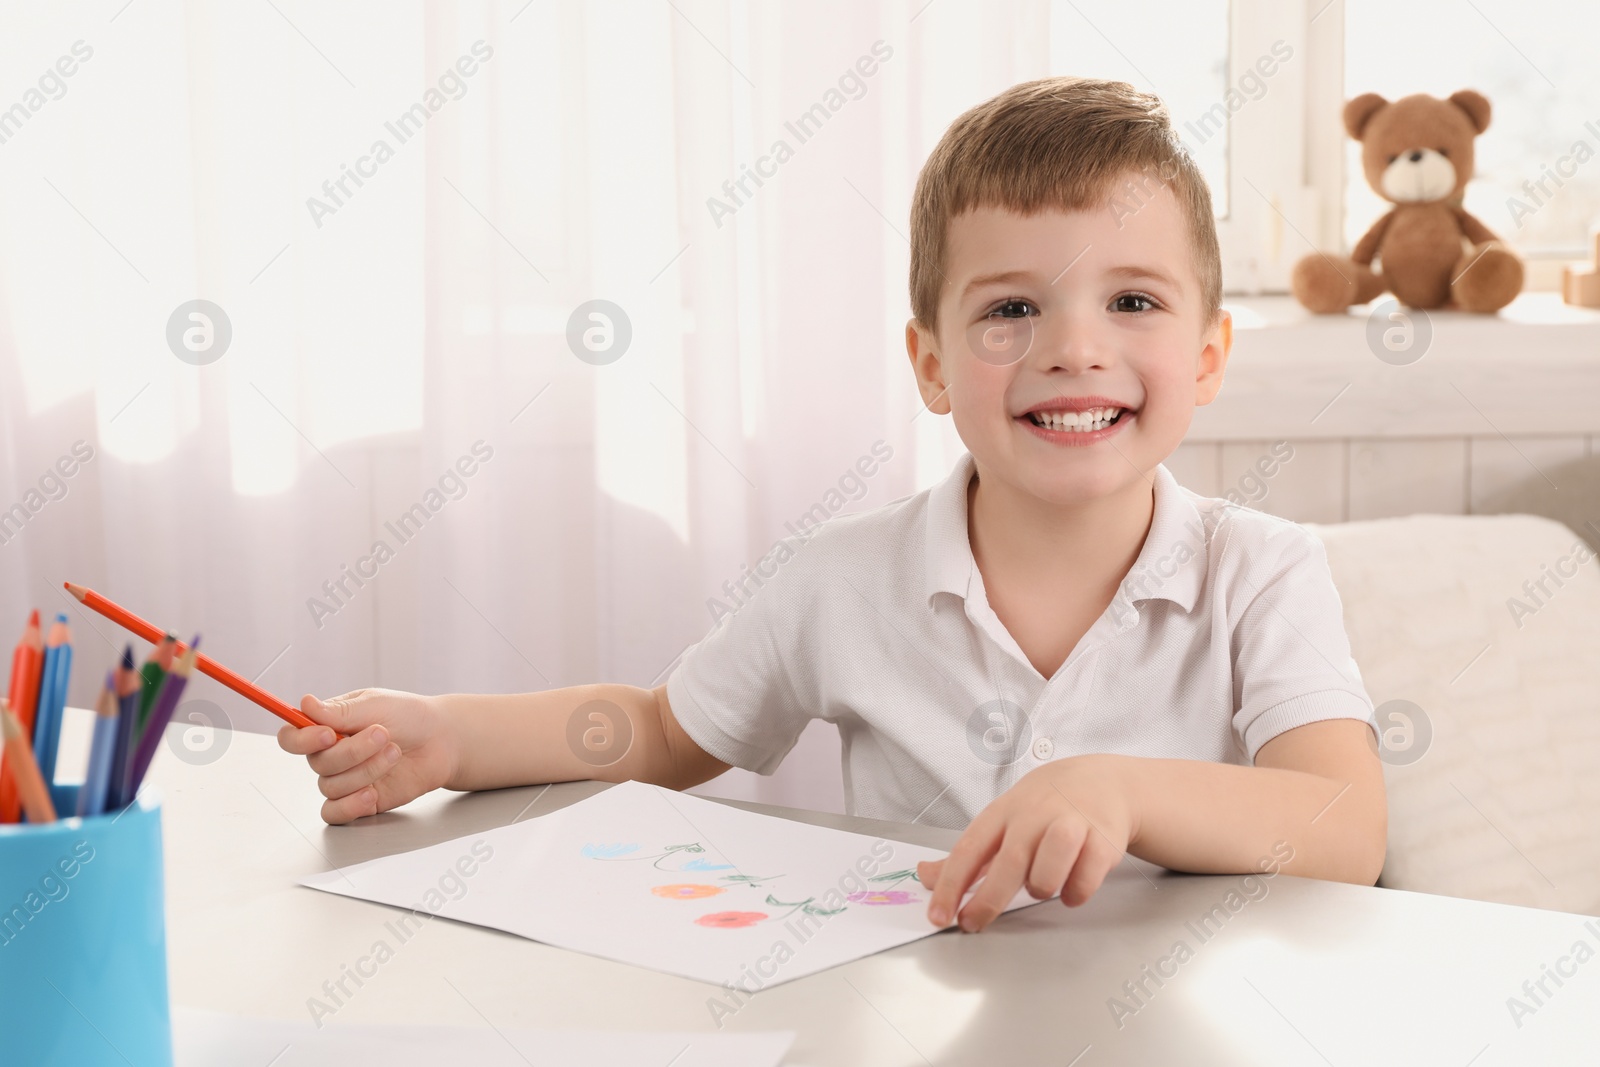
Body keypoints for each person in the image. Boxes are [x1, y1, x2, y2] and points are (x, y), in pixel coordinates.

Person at [279, 76, 1386, 934]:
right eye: (1009, 308)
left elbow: (1343, 824)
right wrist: (450, 737)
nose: (1073, 348)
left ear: (1206, 356)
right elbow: (665, 731)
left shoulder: (1263, 569)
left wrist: (1115, 792)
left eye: (1131, 299)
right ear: (932, 364)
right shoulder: (842, 578)